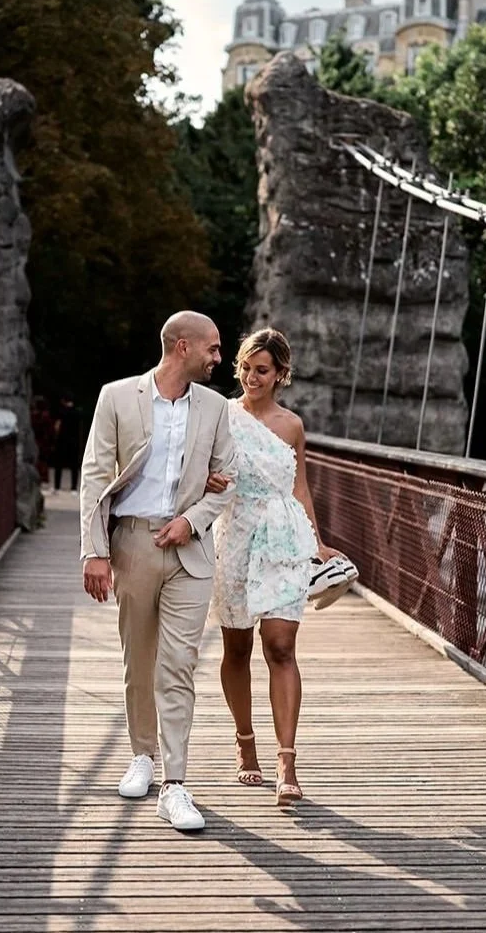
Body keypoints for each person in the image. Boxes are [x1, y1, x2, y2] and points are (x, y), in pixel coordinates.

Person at [79, 311, 237, 832]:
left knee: (177, 667)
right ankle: (142, 756)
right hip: (131, 544)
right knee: (138, 660)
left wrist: (191, 522)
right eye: (213, 349)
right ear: (182, 346)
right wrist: (94, 552)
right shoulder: (117, 397)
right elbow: (95, 475)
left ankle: (174, 784)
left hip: (189, 552)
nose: (220, 358)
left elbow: (229, 478)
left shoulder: (216, 408)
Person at [208, 328, 343, 806]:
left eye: (261, 370)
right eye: (244, 367)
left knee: (281, 645)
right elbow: (198, 472)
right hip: (236, 533)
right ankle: (247, 747)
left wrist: (318, 542)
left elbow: (299, 487)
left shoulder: (292, 425)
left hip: (283, 537)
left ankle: (288, 762)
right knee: (238, 646)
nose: (250, 377)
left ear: (281, 374)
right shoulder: (221, 416)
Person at [53, 394, 81, 492]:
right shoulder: (77, 413)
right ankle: (73, 488)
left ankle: (57, 487)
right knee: (74, 465)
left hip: (62, 440)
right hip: (74, 441)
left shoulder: (61, 412)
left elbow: (57, 426)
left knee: (59, 464)